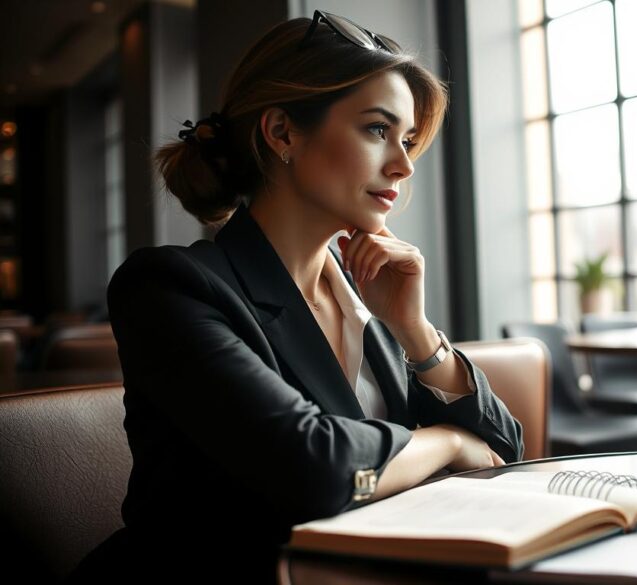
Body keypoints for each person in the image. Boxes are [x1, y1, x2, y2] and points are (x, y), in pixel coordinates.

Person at [66, 12, 524, 584]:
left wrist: (415, 330)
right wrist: (447, 441)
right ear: (282, 132)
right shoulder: (171, 287)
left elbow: (504, 449)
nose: (404, 164)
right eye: (377, 130)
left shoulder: (369, 292)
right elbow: (316, 472)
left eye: (407, 139)